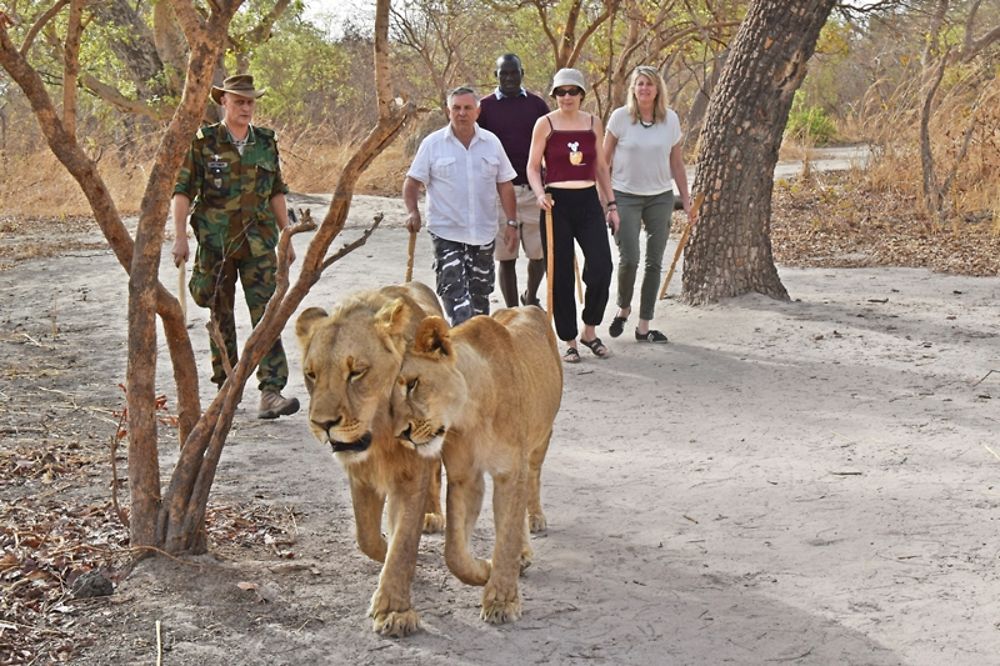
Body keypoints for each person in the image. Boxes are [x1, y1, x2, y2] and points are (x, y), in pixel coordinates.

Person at [171, 74, 299, 420]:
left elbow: (275, 190)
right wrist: (180, 235)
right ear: (223, 102)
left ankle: (271, 390)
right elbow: (183, 191)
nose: (246, 107)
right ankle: (225, 390)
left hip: (258, 243)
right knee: (219, 315)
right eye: (239, 101)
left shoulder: (265, 142)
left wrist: (286, 234)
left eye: (250, 101)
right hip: (216, 244)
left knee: (266, 315)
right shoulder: (205, 142)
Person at [403, 86, 518, 325]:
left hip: (483, 233)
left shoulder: (491, 143)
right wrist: (412, 211)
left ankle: (476, 354)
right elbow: (412, 182)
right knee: (457, 302)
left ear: (478, 110)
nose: (461, 113)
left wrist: (511, 222)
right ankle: (463, 353)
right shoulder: (432, 144)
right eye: (456, 108)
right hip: (447, 232)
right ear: (448, 111)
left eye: (467, 108)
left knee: (480, 301)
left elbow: (505, 185)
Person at [526, 68, 618, 363]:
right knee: (561, 271)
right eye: (561, 92)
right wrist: (540, 193)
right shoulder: (545, 124)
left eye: (573, 91)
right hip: (556, 201)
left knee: (602, 265)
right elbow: (531, 166)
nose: (567, 97)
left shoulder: (593, 123)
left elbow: (601, 167)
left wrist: (611, 204)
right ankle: (569, 339)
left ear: (581, 95)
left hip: (588, 199)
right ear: (555, 95)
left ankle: (589, 330)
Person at [604, 66, 692, 344]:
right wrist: (607, 203)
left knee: (654, 263)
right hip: (625, 195)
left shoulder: (671, 120)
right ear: (633, 88)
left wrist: (686, 199)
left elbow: (676, 163)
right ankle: (623, 307)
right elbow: (602, 162)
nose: (644, 89)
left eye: (650, 84)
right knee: (629, 258)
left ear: (658, 90)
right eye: (640, 84)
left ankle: (644, 326)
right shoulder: (620, 118)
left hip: (660, 197)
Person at [477, 53, 550, 308]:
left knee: (539, 253)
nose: (509, 77)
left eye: (513, 72)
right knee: (506, 255)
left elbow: (551, 145)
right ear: (494, 76)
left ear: (523, 73)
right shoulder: (483, 108)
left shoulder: (537, 106)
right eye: (503, 73)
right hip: (498, 192)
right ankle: (512, 311)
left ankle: (530, 298)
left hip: (533, 189)